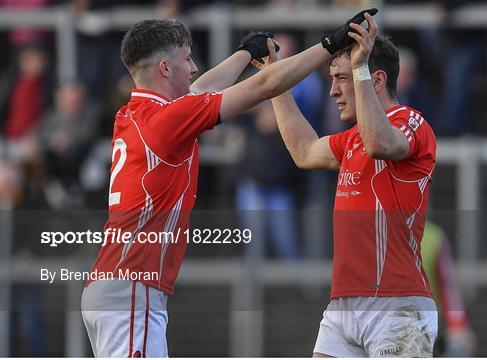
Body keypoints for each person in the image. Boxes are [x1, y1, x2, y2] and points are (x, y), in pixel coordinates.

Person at [81, 13, 370, 357]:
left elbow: (201, 89)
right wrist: (330, 45)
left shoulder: (133, 114)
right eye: (187, 59)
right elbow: (264, 86)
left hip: (113, 284)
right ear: (164, 69)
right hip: (131, 286)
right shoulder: (169, 120)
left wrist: (246, 52)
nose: (193, 69)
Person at [268, 13, 438, 357]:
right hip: (343, 306)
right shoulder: (351, 139)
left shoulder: (411, 122)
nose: (332, 91)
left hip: (398, 306)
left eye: (341, 78)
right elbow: (303, 151)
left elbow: (380, 144)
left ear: (375, 79)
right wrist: (274, 80)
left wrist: (358, 66)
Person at [421, 221, 476, 357]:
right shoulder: (371, 231)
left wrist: (457, 324)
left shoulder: (433, 237)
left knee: (458, 349)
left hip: (428, 324)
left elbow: (448, 286)